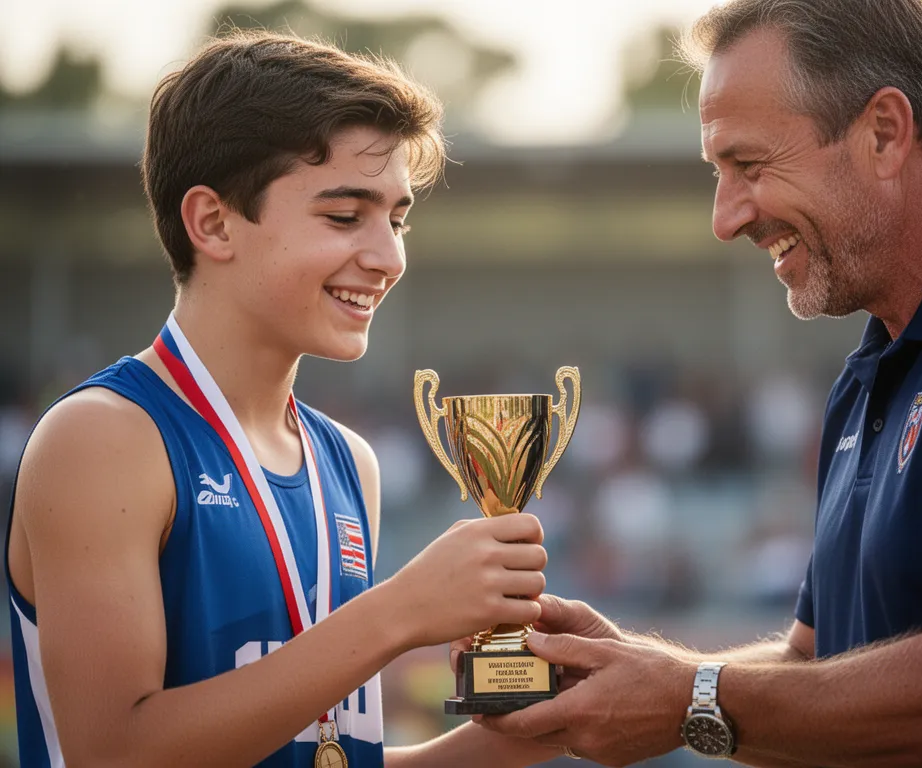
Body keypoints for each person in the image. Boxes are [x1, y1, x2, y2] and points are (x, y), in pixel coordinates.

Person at [475, 0, 922, 765]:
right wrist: (643, 673)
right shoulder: (871, 373)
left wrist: (688, 697)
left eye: (751, 166)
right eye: (718, 172)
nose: (726, 218)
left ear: (885, 133)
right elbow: (815, 670)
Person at [4, 31, 559, 768]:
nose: (389, 257)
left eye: (397, 219)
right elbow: (116, 753)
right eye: (343, 216)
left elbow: (326, 755)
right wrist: (400, 613)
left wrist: (530, 736)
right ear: (212, 222)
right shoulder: (104, 437)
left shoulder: (347, 461)